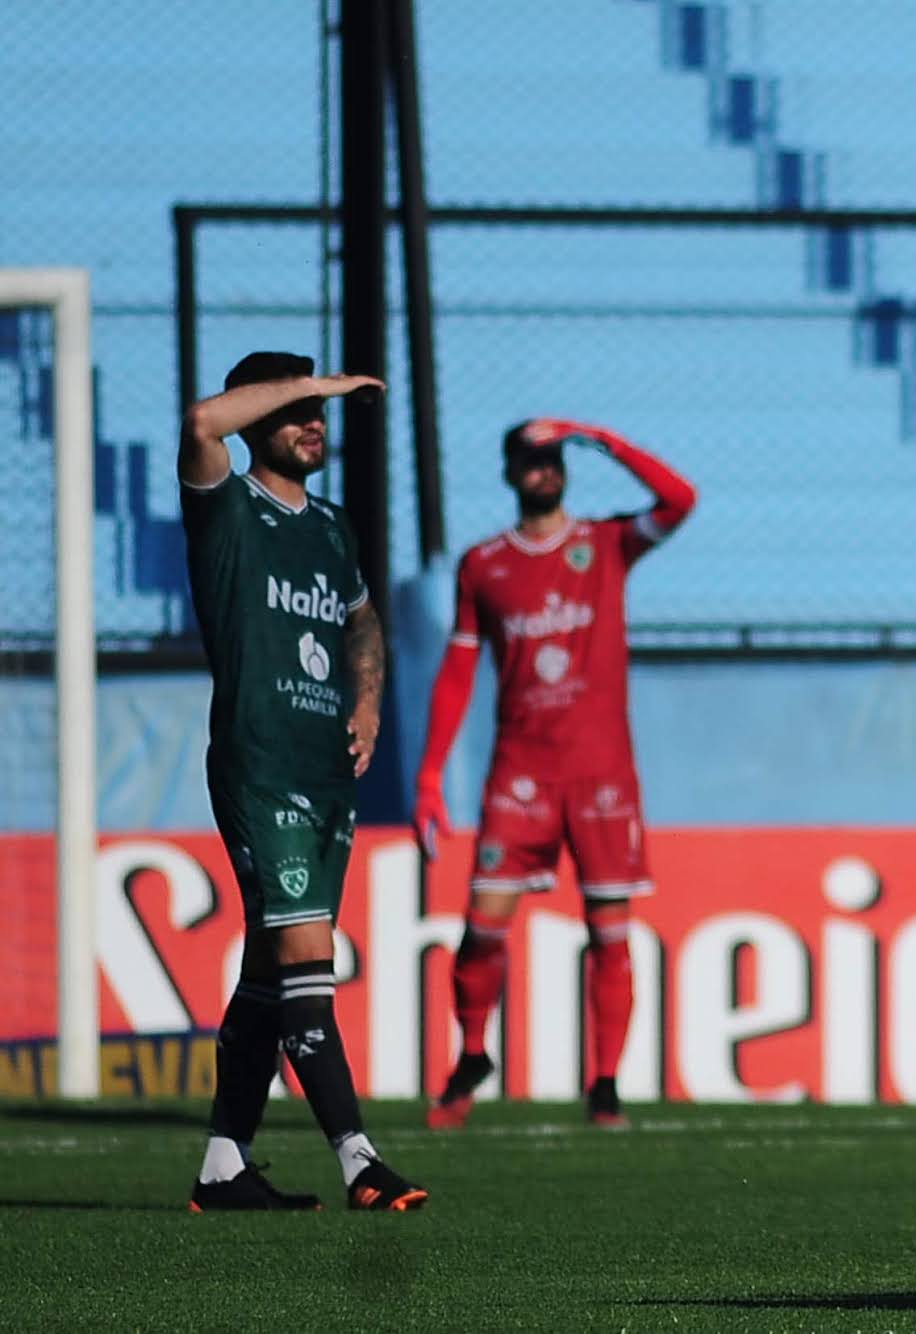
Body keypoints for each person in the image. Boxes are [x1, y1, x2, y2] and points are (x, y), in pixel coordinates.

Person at [179, 352, 427, 1211]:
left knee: (271, 972)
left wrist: (367, 699)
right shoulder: (227, 505)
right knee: (306, 959)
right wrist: (315, 386)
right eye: (295, 408)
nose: (314, 421)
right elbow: (201, 421)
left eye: (317, 407)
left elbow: (361, 619)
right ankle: (359, 1160)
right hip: (259, 763)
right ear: (259, 417)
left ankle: (223, 1168)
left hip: (323, 771)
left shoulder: (330, 526)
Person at [414, 416, 696, 1129]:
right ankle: (473, 1053)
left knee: (610, 931)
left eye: (553, 460)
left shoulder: (605, 544)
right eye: (530, 462)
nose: (543, 471)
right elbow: (456, 669)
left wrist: (597, 436)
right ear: (509, 474)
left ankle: (604, 1084)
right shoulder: (484, 565)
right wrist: (429, 775)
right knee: (482, 925)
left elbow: (679, 500)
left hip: (601, 774)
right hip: (521, 774)